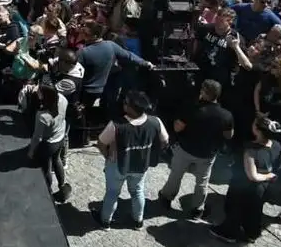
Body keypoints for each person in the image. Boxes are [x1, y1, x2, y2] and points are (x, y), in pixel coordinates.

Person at [157, 79, 234, 220]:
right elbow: (229, 135)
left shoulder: (192, 108)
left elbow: (177, 127)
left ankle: (166, 198)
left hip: (186, 149)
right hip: (207, 154)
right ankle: (197, 209)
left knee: (176, 174)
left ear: (204, 93)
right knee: (202, 181)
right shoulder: (226, 115)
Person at [94, 90, 169, 230]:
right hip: (141, 165)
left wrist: (107, 156)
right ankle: (138, 221)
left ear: (131, 108)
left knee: (112, 193)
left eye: (126, 103)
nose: (123, 104)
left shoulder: (116, 125)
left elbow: (101, 143)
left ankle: (105, 221)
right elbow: (165, 141)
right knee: (137, 191)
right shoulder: (155, 122)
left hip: (118, 164)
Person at [211, 114, 281, 243]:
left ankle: (229, 234)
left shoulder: (250, 149)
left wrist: (266, 175)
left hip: (245, 186)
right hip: (264, 187)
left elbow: (252, 176)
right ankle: (252, 233)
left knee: (236, 209)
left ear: (257, 130)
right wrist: (270, 175)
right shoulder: (277, 145)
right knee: (255, 211)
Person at [28, 82, 72, 202]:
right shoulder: (63, 99)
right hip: (60, 137)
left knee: (47, 167)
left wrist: (31, 151)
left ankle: (48, 191)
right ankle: (62, 185)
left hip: (49, 143)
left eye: (39, 91)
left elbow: (38, 137)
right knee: (57, 160)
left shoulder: (42, 115)